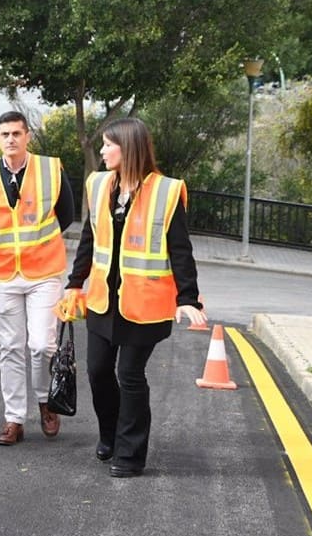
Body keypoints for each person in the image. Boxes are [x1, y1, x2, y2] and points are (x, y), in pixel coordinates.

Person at [58, 117, 207, 477]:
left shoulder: (166, 192)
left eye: (109, 145)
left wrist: (188, 298)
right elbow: (90, 239)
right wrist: (74, 284)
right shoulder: (99, 185)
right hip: (103, 300)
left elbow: (180, 250)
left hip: (144, 304)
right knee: (97, 372)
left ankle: (130, 454)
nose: (103, 151)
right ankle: (109, 435)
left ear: (129, 148)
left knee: (130, 374)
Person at [0, 111, 74, 446]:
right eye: (5, 134)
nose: (11, 139)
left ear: (27, 136)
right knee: (11, 348)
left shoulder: (50, 169)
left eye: (17, 133)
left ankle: (45, 401)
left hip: (44, 270)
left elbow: (67, 215)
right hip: (3, 273)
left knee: (42, 344)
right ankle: (14, 419)